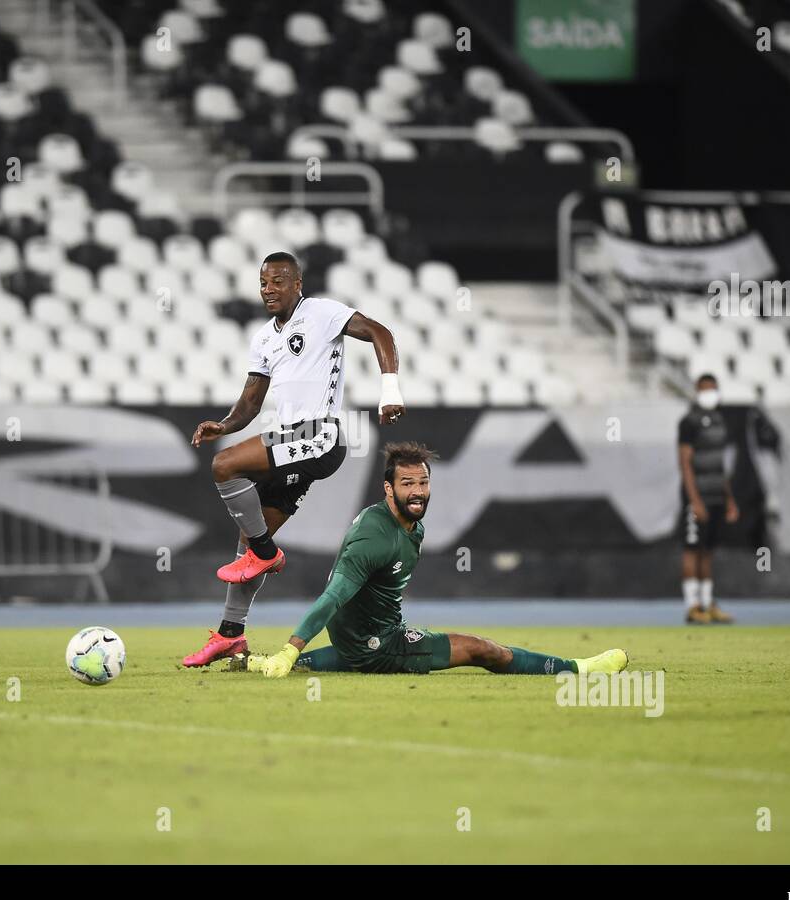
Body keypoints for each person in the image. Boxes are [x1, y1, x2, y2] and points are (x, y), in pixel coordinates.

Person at [233, 441, 629, 679]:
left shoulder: (410, 526)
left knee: (303, 667)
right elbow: (334, 596)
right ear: (389, 489)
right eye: (408, 484)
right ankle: (579, 668)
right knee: (483, 650)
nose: (418, 491)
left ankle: (252, 663)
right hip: (381, 645)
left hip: (358, 642)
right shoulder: (375, 536)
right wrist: (292, 646)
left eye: (423, 482)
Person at [181, 251, 405, 668]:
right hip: (292, 442)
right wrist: (225, 425)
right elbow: (251, 400)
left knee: (224, 466)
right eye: (263, 281)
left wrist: (390, 390)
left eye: (279, 280)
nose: (269, 288)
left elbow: (379, 331)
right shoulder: (264, 337)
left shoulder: (321, 313)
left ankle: (267, 553)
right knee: (248, 537)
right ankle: (232, 635)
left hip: (318, 433)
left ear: (298, 283)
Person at [677, 374, 739, 624]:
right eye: (705, 389)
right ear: (696, 391)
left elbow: (719, 465)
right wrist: (695, 500)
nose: (710, 394)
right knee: (692, 549)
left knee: (708, 551)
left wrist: (729, 498)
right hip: (698, 496)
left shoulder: (719, 420)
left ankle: (707, 602)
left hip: (716, 495)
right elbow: (685, 463)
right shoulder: (689, 422)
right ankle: (692, 605)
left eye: (713, 389)